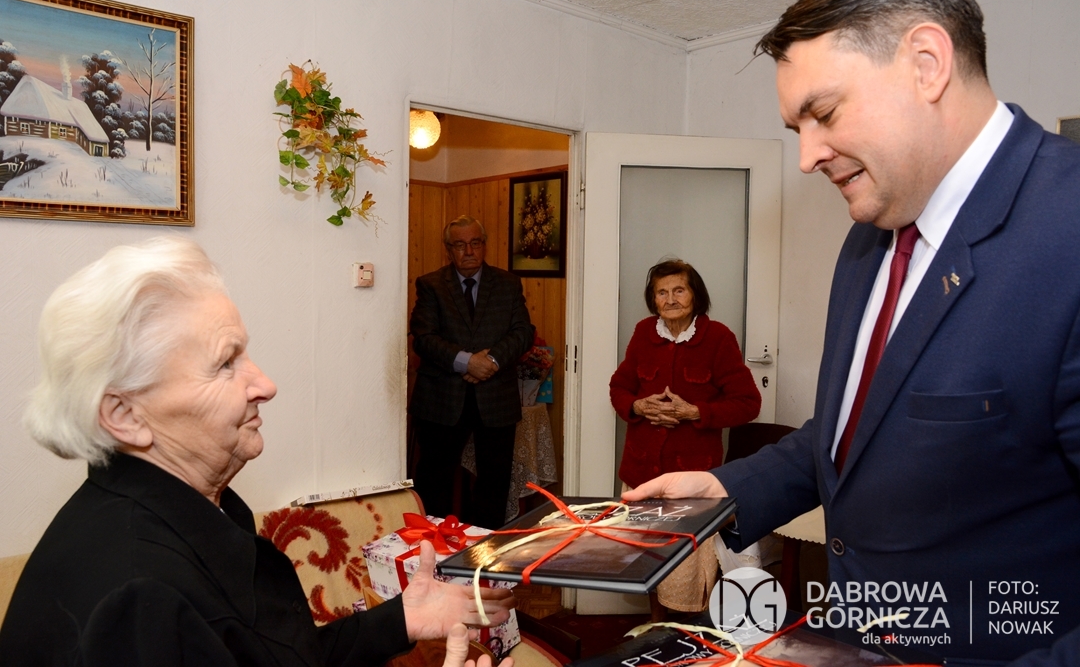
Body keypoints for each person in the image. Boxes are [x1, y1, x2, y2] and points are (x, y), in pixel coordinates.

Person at [624, 0, 1080, 665]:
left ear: (927, 64)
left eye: (825, 114)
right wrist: (722, 487)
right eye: (796, 129)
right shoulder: (869, 240)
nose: (807, 156)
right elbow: (852, 436)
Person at [0, 237, 514, 667]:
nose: (265, 384)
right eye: (225, 363)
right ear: (125, 415)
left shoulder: (199, 513)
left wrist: (402, 618)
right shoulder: (138, 599)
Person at [610, 259, 761, 613]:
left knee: (686, 573)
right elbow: (619, 387)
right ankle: (655, 628)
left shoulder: (718, 338)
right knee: (645, 560)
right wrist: (637, 406)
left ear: (695, 295)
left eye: (679, 290)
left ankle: (689, 634)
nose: (670, 299)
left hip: (694, 481)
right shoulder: (643, 333)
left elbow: (748, 404)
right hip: (642, 474)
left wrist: (695, 412)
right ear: (653, 299)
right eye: (661, 292)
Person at [410, 216, 534, 529]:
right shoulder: (431, 285)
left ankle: (486, 550)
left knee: (494, 484)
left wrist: (491, 360)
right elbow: (423, 338)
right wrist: (466, 362)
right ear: (448, 249)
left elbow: (523, 332)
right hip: (441, 401)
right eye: (460, 245)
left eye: (475, 243)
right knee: (434, 483)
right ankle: (434, 549)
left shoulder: (507, 284)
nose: (469, 251)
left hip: (495, 400)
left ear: (484, 245)